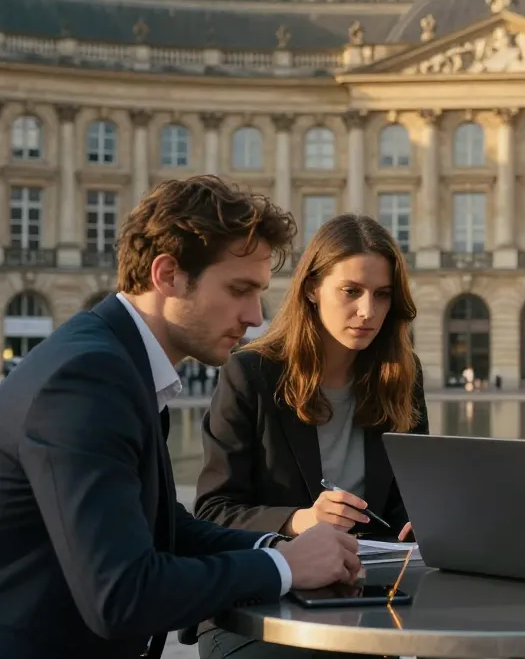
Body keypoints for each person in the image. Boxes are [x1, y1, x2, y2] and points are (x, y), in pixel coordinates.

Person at [0, 176, 363, 659]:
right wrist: (285, 568)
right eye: (239, 289)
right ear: (168, 274)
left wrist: (277, 548)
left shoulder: (114, 361)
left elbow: (167, 529)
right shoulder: (88, 380)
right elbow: (122, 595)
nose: (255, 317)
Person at [191, 213, 428, 659]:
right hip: (259, 606)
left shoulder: (401, 377)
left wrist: (429, 521)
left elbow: (405, 504)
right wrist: (299, 520)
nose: (368, 311)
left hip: (364, 600)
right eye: (351, 291)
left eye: (382, 295)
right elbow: (212, 512)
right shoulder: (251, 374)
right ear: (312, 289)